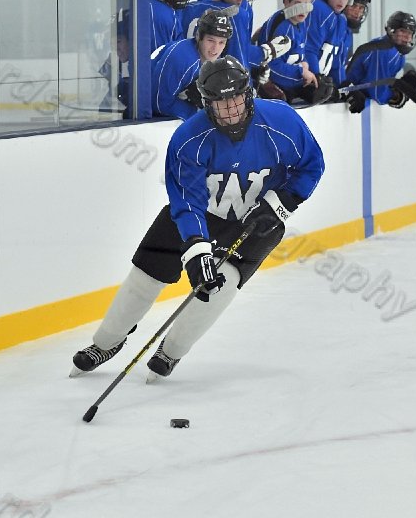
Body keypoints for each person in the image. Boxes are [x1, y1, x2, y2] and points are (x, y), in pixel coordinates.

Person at [70, 56, 324, 381]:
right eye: (221, 105)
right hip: (201, 215)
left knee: (221, 284)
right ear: (207, 104)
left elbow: (311, 165)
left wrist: (280, 203)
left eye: (235, 101)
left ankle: (171, 351)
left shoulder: (282, 121)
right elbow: (188, 202)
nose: (231, 111)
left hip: (258, 220)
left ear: (248, 95)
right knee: (147, 273)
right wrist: (197, 249)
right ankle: (106, 341)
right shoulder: (188, 139)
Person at [181, 0, 283, 77]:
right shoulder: (235, 14)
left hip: (185, 72)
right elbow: (238, 58)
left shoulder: (190, 7)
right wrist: (246, 85)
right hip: (213, 81)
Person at [151, 8, 233, 120]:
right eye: (211, 40)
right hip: (140, 113)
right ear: (199, 36)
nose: (215, 49)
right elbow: (159, 103)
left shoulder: (212, 61)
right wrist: (197, 113)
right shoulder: (183, 58)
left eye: (221, 42)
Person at [253, 0, 323, 104]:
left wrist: (305, 64)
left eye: (306, 5)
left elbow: (299, 52)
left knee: (323, 88)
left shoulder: (300, 23)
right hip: (273, 82)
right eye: (298, 4)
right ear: (286, 3)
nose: (302, 10)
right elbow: (271, 66)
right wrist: (301, 72)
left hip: (291, 80)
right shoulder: (282, 28)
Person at [343, 10, 416, 113]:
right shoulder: (381, 50)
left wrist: (399, 86)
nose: (407, 37)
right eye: (402, 31)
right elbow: (378, 93)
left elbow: (382, 83)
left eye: (410, 33)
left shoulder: (399, 55)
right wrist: (395, 96)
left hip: (358, 96)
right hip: (346, 97)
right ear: (391, 30)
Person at [304, 0, 354, 100]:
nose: (341, 1)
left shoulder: (341, 20)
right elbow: (309, 49)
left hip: (319, 82)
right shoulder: (318, 10)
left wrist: (342, 85)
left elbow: (336, 60)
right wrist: (316, 77)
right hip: (305, 80)